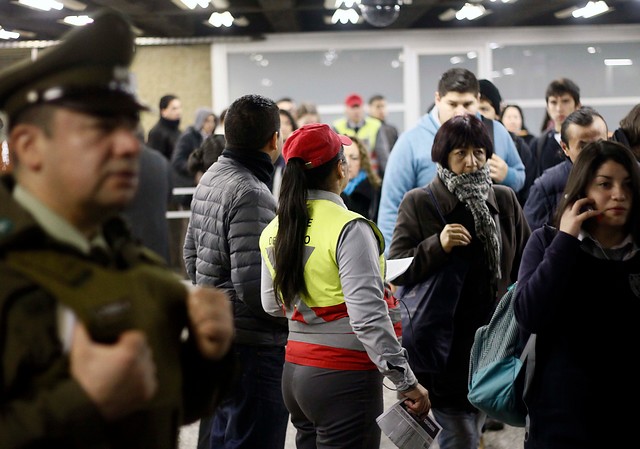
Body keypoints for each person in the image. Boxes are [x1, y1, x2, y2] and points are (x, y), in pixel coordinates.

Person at [0, 9, 235, 449]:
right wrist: (81, 402)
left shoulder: (130, 261)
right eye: (101, 127)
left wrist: (208, 356)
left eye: (129, 125)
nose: (130, 144)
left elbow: (170, 406)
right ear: (30, 146)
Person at [259, 123, 431, 449]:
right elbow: (367, 318)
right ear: (340, 168)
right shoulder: (349, 227)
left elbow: (271, 303)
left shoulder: (274, 228)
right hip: (342, 377)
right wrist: (405, 381)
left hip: (295, 373)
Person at [388, 114, 530, 449]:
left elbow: (526, 262)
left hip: (492, 343)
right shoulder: (420, 201)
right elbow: (395, 267)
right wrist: (438, 245)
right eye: (461, 153)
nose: (472, 161)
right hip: (442, 350)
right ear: (444, 156)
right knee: (460, 436)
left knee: (475, 425)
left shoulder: (504, 199)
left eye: (479, 152)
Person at [514, 139, 640, 448]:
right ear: (582, 190)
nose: (618, 194)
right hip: (561, 421)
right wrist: (566, 240)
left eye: (627, 185)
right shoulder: (548, 242)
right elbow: (529, 314)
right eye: (604, 184)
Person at [183, 94, 289, 449]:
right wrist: (287, 319)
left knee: (224, 435)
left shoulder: (212, 176)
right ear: (274, 139)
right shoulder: (252, 192)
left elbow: (189, 253)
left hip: (224, 338)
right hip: (254, 347)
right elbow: (254, 286)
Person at [378, 68, 525, 251]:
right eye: (453, 104)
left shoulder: (496, 132)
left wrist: (507, 174)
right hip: (432, 256)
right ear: (438, 100)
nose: (460, 112)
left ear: (478, 100)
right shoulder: (410, 142)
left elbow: (520, 177)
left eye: (467, 104)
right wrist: (392, 265)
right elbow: (391, 207)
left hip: (492, 255)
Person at [524, 107, 609, 231]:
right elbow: (532, 244)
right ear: (565, 147)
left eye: (600, 143)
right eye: (583, 146)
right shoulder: (546, 187)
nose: (594, 152)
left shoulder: (629, 175)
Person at [479, 79, 535, 207]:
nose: (479, 115)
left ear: (497, 114)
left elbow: (524, 180)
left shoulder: (513, 142)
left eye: (484, 109)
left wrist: (506, 174)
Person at [528, 78, 581, 179]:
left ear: (577, 105)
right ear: (547, 107)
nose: (559, 108)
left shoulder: (586, 140)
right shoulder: (538, 145)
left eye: (565, 101)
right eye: (553, 102)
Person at [332, 93, 390, 178]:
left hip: (369, 174)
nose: (356, 111)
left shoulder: (375, 125)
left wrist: (388, 175)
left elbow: (383, 156)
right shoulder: (337, 127)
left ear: (363, 108)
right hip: (346, 174)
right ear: (346, 109)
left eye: (358, 107)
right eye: (353, 107)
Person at [171, 107, 216, 207]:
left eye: (213, 121)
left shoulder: (213, 139)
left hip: (208, 188)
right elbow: (177, 161)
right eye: (207, 121)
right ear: (200, 121)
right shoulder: (188, 137)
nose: (210, 125)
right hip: (189, 185)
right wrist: (194, 170)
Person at [340, 135, 381, 221]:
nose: (347, 163)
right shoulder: (327, 192)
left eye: (354, 158)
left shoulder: (375, 190)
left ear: (362, 162)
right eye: (342, 157)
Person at [147, 93, 182, 160]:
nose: (178, 112)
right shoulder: (156, 133)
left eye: (179, 108)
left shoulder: (178, 131)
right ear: (163, 111)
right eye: (174, 109)